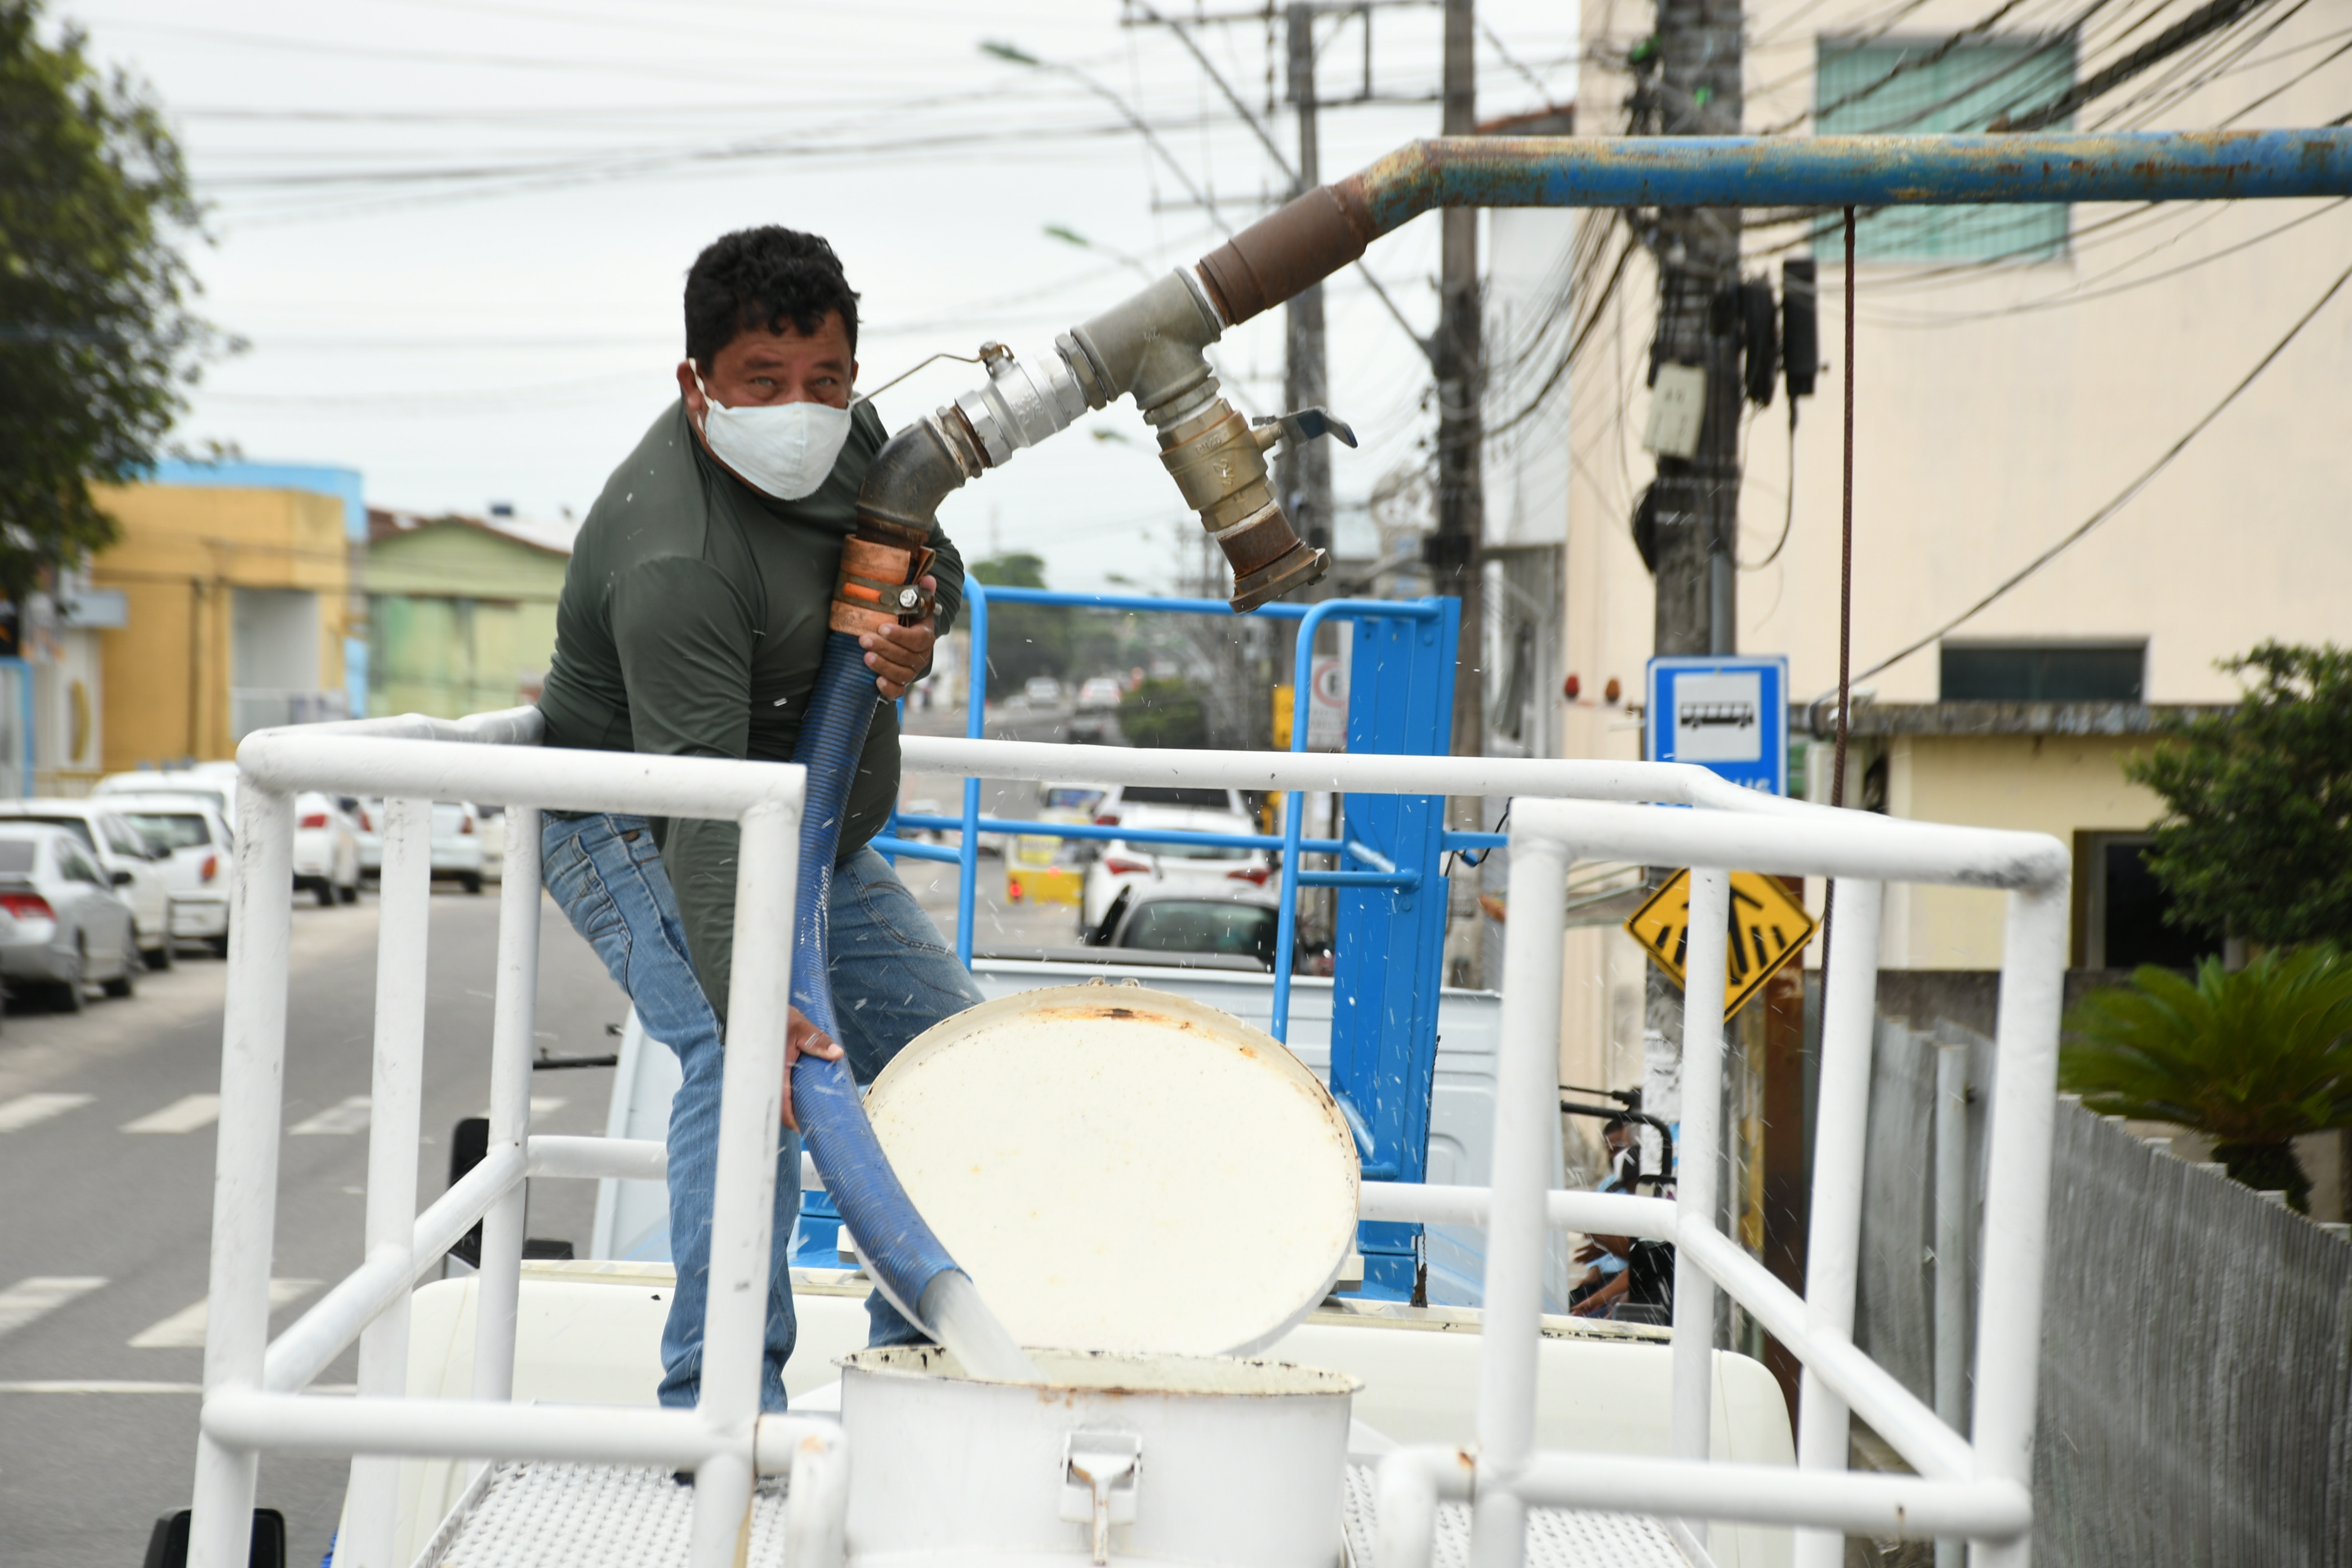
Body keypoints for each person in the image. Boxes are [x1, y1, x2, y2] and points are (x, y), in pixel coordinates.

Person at [533, 226, 985, 1414]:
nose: (802, 408)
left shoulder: (859, 443)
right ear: (698, 387)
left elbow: (939, 562)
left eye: (826, 381)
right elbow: (702, 805)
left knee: (950, 1061)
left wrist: (917, 626)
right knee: (749, 1072)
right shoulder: (675, 551)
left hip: (804, 818)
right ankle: (722, 1408)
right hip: (639, 821)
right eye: (763, 385)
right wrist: (760, 997)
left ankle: (916, 1379)